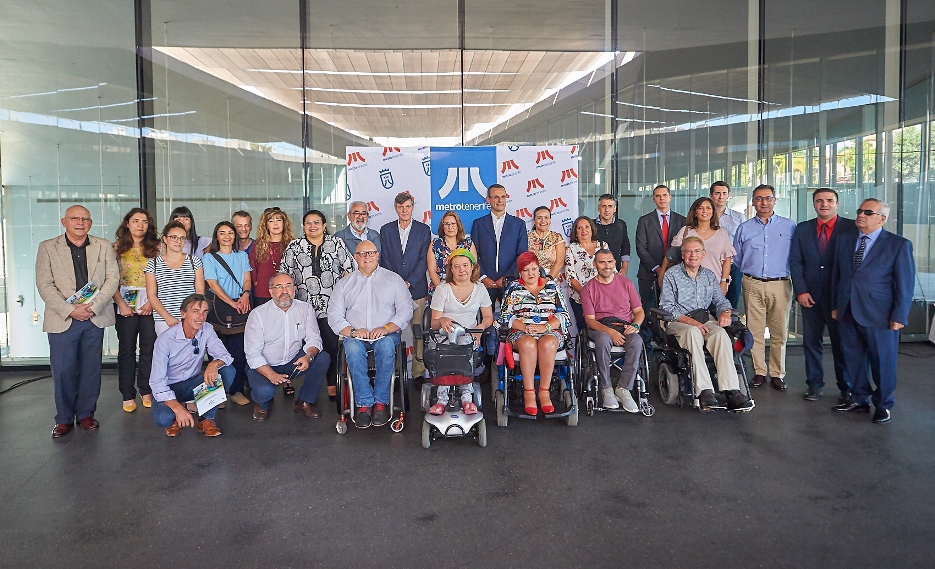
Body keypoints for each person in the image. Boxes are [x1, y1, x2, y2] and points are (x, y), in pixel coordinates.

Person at [36, 205, 120, 438]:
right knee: (63, 370)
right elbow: (44, 284)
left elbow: (113, 278)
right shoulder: (47, 247)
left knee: (90, 370)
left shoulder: (103, 246)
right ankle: (63, 418)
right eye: (75, 218)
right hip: (63, 318)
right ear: (64, 221)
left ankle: (85, 413)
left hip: (94, 316)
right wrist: (70, 309)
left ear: (90, 223)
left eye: (85, 219)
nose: (80, 222)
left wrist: (93, 306)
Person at [831, 198, 914, 424]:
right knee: (853, 359)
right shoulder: (845, 240)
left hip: (880, 314)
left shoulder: (898, 245)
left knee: (883, 362)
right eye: (860, 211)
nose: (861, 215)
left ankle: (883, 404)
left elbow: (905, 284)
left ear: (882, 218)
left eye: (868, 212)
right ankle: (859, 398)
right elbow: (837, 276)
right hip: (848, 311)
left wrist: (899, 315)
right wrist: (836, 306)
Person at [659, 237, 754, 412]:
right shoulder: (672, 275)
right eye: (688, 251)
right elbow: (666, 307)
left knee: (720, 334)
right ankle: (704, 390)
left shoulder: (709, 275)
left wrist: (725, 312)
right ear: (682, 254)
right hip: (678, 321)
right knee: (693, 333)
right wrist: (691, 322)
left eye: (696, 251)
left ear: (703, 254)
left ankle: (732, 390)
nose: (692, 255)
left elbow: (721, 301)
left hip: (704, 319)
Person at [329, 240, 413, 429]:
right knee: (350, 346)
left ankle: (381, 403)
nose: (367, 257)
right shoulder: (344, 284)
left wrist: (386, 328)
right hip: (355, 335)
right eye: (362, 254)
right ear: (355, 257)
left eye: (371, 253)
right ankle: (365, 405)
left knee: (385, 346)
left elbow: (406, 310)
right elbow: (334, 316)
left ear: (377, 255)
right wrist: (351, 331)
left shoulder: (394, 280)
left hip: (386, 334)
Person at [789, 189, 856, 403]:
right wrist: (800, 290)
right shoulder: (803, 229)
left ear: (837, 203)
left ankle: (846, 387)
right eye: (819, 201)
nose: (824, 204)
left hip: (839, 298)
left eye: (829, 201)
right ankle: (814, 384)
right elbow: (796, 262)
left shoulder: (851, 228)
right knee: (811, 343)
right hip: (810, 297)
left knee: (842, 344)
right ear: (814, 204)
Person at [282, 210, 354, 401]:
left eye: (316, 222)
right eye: (308, 223)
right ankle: (291, 382)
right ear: (303, 226)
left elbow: (351, 270)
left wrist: (343, 294)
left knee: (331, 347)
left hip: (331, 307)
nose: (312, 226)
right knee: (300, 347)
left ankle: (332, 383)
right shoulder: (294, 246)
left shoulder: (336, 243)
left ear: (324, 225)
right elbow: (284, 274)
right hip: (301, 308)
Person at [732, 184, 796, 390]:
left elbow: (796, 255)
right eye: (759, 198)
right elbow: (738, 258)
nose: (764, 202)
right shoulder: (744, 228)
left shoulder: (789, 226)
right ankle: (759, 371)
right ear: (753, 202)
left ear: (775, 200)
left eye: (768, 198)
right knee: (755, 331)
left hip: (780, 284)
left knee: (779, 333)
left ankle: (777, 373)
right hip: (752, 282)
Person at [245, 273, 331, 422]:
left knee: (323, 358)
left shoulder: (305, 309)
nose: (284, 291)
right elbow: (252, 353)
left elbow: (314, 339)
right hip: (265, 366)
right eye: (279, 287)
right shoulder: (258, 314)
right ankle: (262, 404)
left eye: (288, 286)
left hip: (293, 362)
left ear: (294, 289)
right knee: (265, 391)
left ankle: (304, 401)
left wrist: (308, 356)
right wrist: (271, 375)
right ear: (270, 291)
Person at [148, 294, 235, 437]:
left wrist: (214, 363)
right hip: (169, 387)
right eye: (195, 311)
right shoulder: (165, 340)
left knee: (227, 371)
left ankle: (206, 419)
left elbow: (225, 356)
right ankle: (174, 419)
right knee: (163, 418)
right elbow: (157, 382)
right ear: (183, 314)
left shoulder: (207, 329)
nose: (200, 316)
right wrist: (178, 408)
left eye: (204, 312)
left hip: (192, 383)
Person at [499, 252, 571, 416]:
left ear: (539, 269)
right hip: (521, 332)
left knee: (548, 343)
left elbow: (564, 316)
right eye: (526, 270)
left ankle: (544, 392)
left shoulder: (552, 286)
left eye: (534, 269)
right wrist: (524, 327)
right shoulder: (513, 288)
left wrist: (545, 327)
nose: (530, 273)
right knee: (528, 343)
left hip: (550, 331)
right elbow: (504, 316)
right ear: (520, 273)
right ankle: (529, 392)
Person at [428, 248, 494, 415]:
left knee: (464, 347)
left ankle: (466, 398)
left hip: (468, 334)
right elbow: (433, 323)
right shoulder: (442, 289)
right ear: (451, 269)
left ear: (472, 267)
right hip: (443, 336)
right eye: (456, 266)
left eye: (465, 265)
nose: (461, 269)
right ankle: (441, 399)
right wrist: (442, 320)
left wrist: (479, 329)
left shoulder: (480, 289)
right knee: (447, 350)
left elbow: (488, 317)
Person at [580, 249, 644, 412]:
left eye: (609, 262)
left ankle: (623, 388)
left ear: (615, 263)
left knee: (636, 341)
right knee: (602, 340)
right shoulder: (588, 288)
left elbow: (639, 312)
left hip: (623, 325)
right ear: (595, 265)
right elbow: (590, 320)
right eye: (602, 262)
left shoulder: (626, 283)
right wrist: (610, 332)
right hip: (600, 326)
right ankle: (606, 388)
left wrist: (635, 326)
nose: (606, 266)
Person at [112, 208, 160, 413]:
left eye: (144, 221)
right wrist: (121, 304)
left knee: (149, 349)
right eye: (135, 221)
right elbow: (109, 279)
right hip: (124, 302)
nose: (140, 225)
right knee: (126, 350)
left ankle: (146, 389)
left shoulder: (158, 248)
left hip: (150, 302)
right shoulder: (116, 248)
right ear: (127, 224)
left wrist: (152, 302)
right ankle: (127, 393)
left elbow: (162, 276)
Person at [380, 192, 431, 380]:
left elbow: (423, 260)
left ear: (412, 207)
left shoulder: (423, 230)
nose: (404, 210)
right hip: (392, 292)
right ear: (395, 208)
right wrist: (397, 283)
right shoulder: (386, 230)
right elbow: (384, 259)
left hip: (416, 289)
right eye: (400, 207)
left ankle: (418, 374)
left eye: (407, 206)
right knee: (392, 335)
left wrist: (408, 282)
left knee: (418, 333)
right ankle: (394, 373)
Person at [201, 221, 252, 406]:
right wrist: (231, 302)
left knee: (239, 353)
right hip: (218, 309)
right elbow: (212, 284)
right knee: (217, 353)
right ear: (217, 236)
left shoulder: (241, 256)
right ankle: (217, 394)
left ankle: (235, 390)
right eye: (222, 233)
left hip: (241, 306)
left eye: (230, 232)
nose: (227, 236)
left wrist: (245, 296)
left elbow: (247, 278)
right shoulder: (209, 257)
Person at [659, 197, 735, 295]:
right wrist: (662, 275)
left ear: (713, 212)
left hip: (714, 284)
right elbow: (671, 256)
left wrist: (724, 281)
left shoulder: (721, 233)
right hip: (686, 285)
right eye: (700, 208)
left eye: (708, 208)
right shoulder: (685, 231)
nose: (705, 211)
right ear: (695, 212)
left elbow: (727, 260)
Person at [471, 184, 529, 306]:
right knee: (484, 321)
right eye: (496, 197)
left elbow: (522, 254)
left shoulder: (518, 224)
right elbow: (473, 254)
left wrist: (506, 277)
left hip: (510, 282)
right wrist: (483, 277)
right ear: (488, 200)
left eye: (503, 197)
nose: (500, 200)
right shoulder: (478, 224)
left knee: (512, 321)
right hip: (485, 283)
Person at [145, 221, 205, 336]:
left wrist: (191, 315)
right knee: (167, 353)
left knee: (191, 352)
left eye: (182, 238)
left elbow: (200, 291)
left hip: (190, 318)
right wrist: (167, 317)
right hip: (163, 320)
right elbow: (151, 294)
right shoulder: (153, 264)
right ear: (165, 239)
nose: (178, 241)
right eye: (174, 237)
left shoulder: (194, 261)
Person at [635, 184, 686, 309]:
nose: (661, 198)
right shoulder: (644, 220)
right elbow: (641, 248)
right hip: (649, 274)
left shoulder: (682, 221)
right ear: (654, 199)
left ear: (670, 197)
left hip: (675, 273)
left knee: (672, 311)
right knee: (649, 312)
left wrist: (668, 268)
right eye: (658, 196)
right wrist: (658, 268)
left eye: (664, 195)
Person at [565, 216, 609, 330]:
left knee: (604, 330)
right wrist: (587, 296)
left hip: (604, 298)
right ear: (575, 232)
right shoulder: (571, 249)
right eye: (579, 228)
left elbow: (611, 270)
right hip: (580, 298)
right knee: (585, 331)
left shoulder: (603, 245)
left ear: (592, 229)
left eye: (586, 227)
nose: (583, 230)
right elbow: (571, 276)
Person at [710, 181, 745, 307]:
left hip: (732, 265)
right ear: (711, 195)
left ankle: (730, 326)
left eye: (724, 193)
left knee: (731, 303)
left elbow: (743, 242)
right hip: (710, 264)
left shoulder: (739, 218)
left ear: (728, 195)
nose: (721, 197)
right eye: (717, 193)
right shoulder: (704, 216)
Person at [250, 207, 294, 306]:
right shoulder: (258, 245)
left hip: (287, 293)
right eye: (271, 220)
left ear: (284, 223)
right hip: (263, 293)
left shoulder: (292, 244)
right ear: (266, 225)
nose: (275, 224)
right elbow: (254, 272)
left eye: (279, 220)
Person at [428, 211, 476, 294]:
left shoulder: (468, 244)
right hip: (440, 290)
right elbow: (432, 271)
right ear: (442, 227)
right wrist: (444, 292)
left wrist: (463, 291)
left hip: (464, 291)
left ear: (458, 225)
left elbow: (474, 268)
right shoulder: (435, 244)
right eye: (447, 224)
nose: (450, 227)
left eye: (453, 224)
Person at [593, 193, 631, 274]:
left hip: (615, 270)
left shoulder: (621, 224)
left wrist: (624, 267)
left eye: (610, 206)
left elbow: (625, 246)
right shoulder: (591, 225)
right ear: (598, 208)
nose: (606, 210)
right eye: (604, 206)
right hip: (594, 271)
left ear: (615, 209)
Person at [527, 206, 566, 281]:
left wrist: (548, 279)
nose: (543, 221)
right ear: (534, 221)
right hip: (531, 279)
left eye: (546, 217)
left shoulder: (557, 237)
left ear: (550, 220)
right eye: (539, 218)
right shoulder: (526, 238)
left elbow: (560, 262)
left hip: (552, 279)